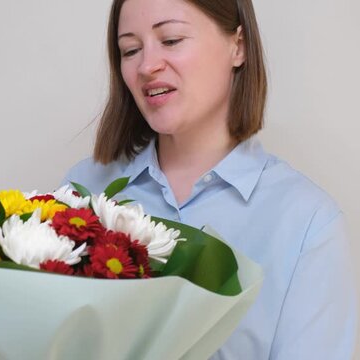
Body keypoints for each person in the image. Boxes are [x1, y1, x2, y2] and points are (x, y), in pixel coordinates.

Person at [62, 0, 358, 358]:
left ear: (239, 46)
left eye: (170, 40)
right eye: (131, 49)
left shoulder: (308, 224)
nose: (147, 66)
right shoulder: (82, 193)